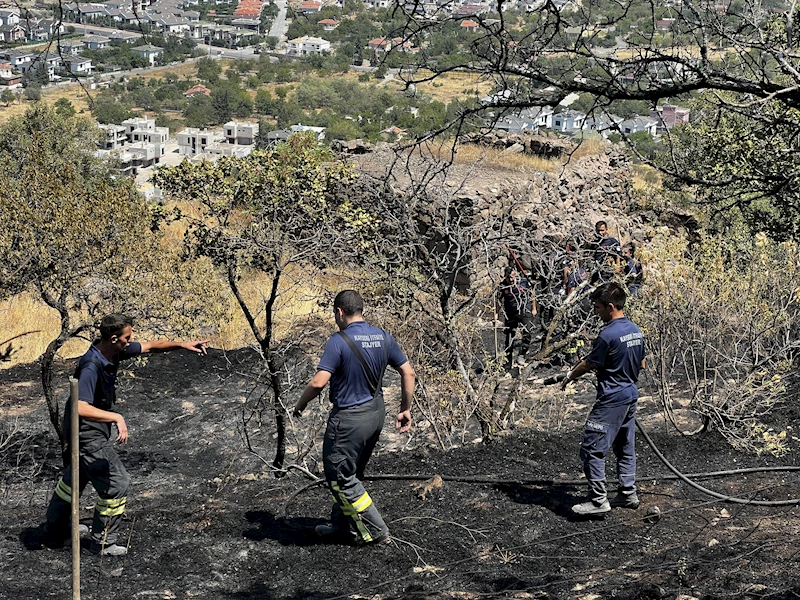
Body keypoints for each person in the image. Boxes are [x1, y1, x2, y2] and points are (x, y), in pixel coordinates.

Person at [42, 314, 209, 556]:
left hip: (86, 427)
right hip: (86, 430)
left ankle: (55, 530)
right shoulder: (91, 365)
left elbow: (152, 347)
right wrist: (117, 417)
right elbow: (81, 406)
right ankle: (104, 542)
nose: (132, 342)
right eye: (127, 337)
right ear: (113, 338)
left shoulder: (114, 350)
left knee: (75, 479)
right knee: (116, 482)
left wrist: (183, 344)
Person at [293, 290, 415, 545]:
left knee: (340, 476)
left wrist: (300, 404)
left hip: (348, 420)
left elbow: (318, 383)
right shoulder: (383, 336)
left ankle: (376, 530)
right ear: (361, 309)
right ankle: (341, 525)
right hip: (375, 414)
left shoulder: (338, 341)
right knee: (351, 472)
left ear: (339, 312)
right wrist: (405, 408)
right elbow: (408, 373)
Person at [560, 282, 645, 516]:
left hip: (612, 399)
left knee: (591, 449)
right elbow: (642, 363)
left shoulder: (607, 334)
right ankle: (628, 494)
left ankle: (598, 501)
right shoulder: (635, 330)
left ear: (610, 307)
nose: (596, 313)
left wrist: (570, 375)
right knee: (624, 446)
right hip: (630, 394)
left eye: (597, 308)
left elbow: (588, 363)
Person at [497, 266, 537, 368]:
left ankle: (522, 355)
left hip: (524, 310)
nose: (511, 280)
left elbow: (532, 295)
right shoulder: (502, 286)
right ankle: (508, 360)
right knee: (510, 335)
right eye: (508, 277)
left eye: (512, 277)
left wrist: (533, 308)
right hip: (510, 312)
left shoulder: (523, 282)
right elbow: (497, 300)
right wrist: (496, 314)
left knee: (527, 333)